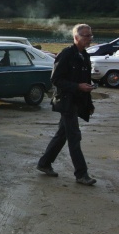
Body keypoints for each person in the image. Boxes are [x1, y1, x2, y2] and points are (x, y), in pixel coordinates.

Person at [36, 23, 97, 185]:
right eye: (86, 36)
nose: (89, 39)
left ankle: (44, 163)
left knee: (62, 135)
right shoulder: (66, 54)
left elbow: (86, 81)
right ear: (76, 38)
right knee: (74, 137)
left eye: (90, 36)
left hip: (77, 101)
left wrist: (89, 102)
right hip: (66, 102)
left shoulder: (85, 56)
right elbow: (55, 79)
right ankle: (81, 174)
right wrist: (77, 86)